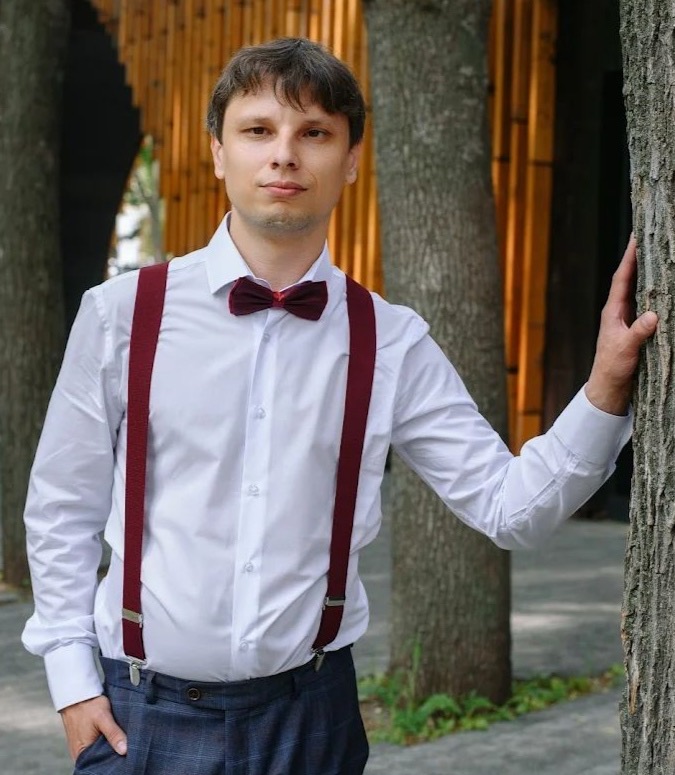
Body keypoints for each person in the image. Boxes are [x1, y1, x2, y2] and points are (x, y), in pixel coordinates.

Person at [22, 37, 656, 775]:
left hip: (311, 722)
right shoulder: (120, 314)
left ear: (351, 159)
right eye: (257, 130)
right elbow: (62, 507)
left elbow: (511, 506)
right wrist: (72, 684)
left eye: (314, 133)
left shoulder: (390, 340)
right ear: (219, 152)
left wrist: (606, 385)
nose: (284, 155)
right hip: (139, 715)